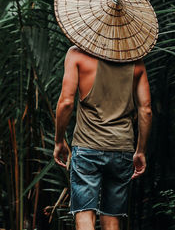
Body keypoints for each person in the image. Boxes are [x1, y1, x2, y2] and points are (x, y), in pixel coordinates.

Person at [53, 45, 152, 230]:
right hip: (122, 149)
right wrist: (141, 151)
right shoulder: (136, 62)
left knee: (84, 215)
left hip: (87, 147)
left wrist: (59, 141)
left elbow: (66, 102)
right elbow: (146, 110)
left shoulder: (77, 55)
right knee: (113, 219)